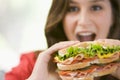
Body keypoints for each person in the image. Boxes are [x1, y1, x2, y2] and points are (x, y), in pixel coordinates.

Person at [5, 0, 120, 80]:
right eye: (72, 8)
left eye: (96, 7)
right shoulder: (32, 65)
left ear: (114, 17)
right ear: (60, 17)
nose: (83, 21)